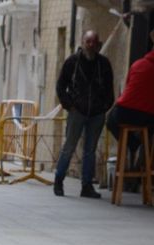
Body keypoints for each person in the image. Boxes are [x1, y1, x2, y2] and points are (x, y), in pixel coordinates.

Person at [105, 39, 154, 169]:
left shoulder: (137, 64)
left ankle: (133, 145)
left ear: (153, 50)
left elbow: (129, 86)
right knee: (153, 129)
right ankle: (141, 151)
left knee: (110, 122)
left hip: (123, 111)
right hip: (148, 114)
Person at [53, 30, 114, 199]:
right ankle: (58, 180)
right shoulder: (72, 62)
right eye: (88, 41)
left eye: (94, 42)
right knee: (69, 147)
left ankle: (86, 186)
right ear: (82, 42)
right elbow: (60, 86)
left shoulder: (104, 64)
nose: (91, 45)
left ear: (98, 44)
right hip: (77, 112)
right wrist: (69, 105)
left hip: (96, 113)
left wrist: (104, 107)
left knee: (90, 150)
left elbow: (110, 89)